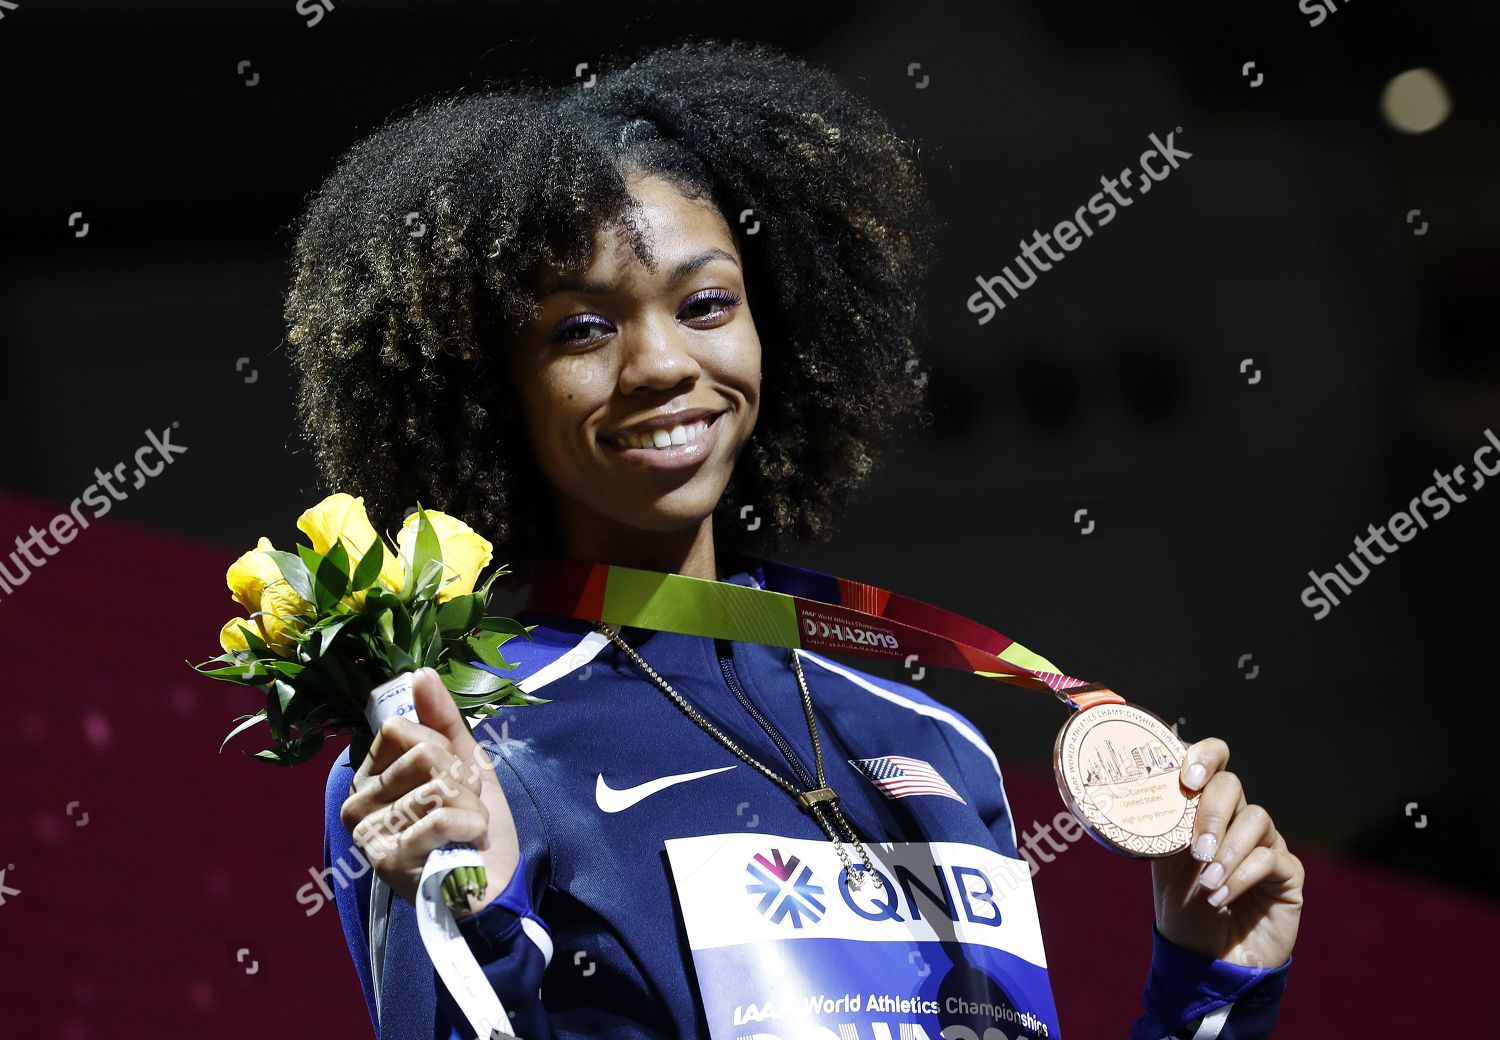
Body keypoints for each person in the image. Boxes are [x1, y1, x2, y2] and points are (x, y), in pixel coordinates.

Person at [289, 38, 1304, 1040]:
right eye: (582, 329)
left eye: (705, 305)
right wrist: (483, 920)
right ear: (487, 390)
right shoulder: (457, 745)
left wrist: (1205, 985)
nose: (661, 363)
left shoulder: (933, 742)